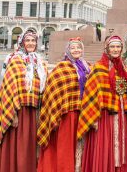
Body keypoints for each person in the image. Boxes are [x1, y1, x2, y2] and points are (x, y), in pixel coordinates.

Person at [0, 30, 47, 172]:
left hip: (35, 110)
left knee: (31, 146)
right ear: (22, 43)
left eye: (33, 41)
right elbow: (8, 88)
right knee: (20, 146)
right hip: (19, 111)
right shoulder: (15, 60)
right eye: (27, 41)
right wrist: (13, 114)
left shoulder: (40, 62)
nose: (31, 43)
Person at [77, 35, 127, 172]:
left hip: (120, 114)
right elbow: (90, 93)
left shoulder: (122, 68)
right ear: (107, 48)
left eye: (118, 47)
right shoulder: (98, 68)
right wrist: (93, 118)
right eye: (112, 47)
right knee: (105, 146)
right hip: (103, 116)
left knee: (120, 147)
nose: (115, 49)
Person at [37, 37, 90, 172]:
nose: (76, 50)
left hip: (83, 111)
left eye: (79, 47)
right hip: (67, 113)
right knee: (66, 145)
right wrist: (56, 110)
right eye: (73, 48)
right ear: (68, 50)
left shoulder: (86, 66)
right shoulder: (61, 67)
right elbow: (52, 89)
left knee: (80, 145)